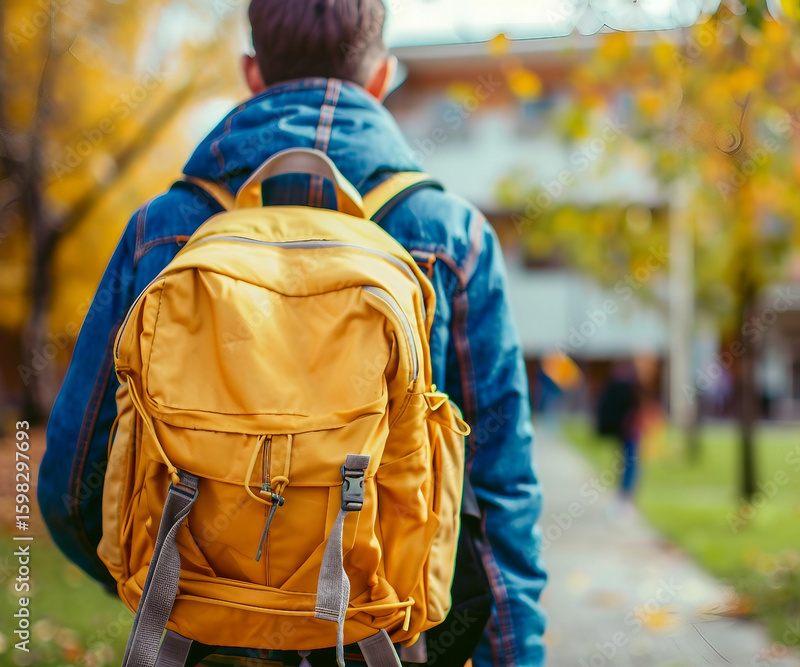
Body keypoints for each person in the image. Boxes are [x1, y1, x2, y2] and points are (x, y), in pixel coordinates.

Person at [37, 1, 547, 665]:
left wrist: (176, 590)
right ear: (382, 76)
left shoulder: (162, 227)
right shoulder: (451, 234)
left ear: (253, 72)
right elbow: (501, 496)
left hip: (199, 640)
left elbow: (68, 484)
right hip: (388, 642)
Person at [596, 361, 643, 505]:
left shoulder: (622, 387)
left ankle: (625, 494)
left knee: (627, 462)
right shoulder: (627, 388)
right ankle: (625, 495)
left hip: (627, 431)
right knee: (629, 463)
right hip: (629, 431)